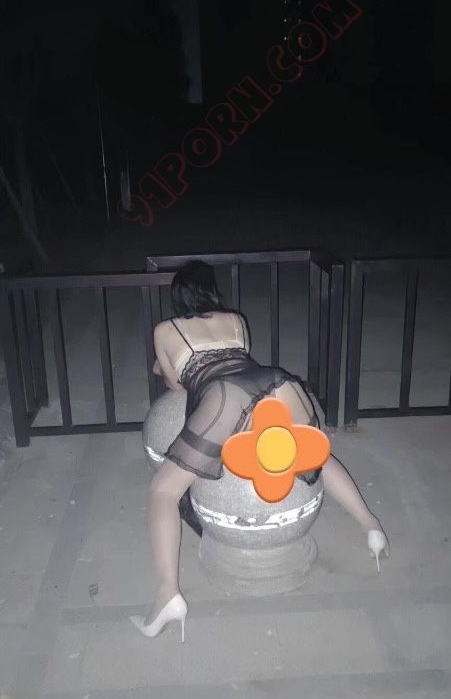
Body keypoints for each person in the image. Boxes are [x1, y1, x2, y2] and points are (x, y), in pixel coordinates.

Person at [130, 260, 389, 641]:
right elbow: (238, 361)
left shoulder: (165, 329)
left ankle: (167, 593)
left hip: (224, 394)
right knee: (314, 455)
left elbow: (177, 385)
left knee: (163, 490)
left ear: (176, 295)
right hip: (278, 381)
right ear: (211, 289)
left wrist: (161, 367)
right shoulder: (236, 319)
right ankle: (372, 527)